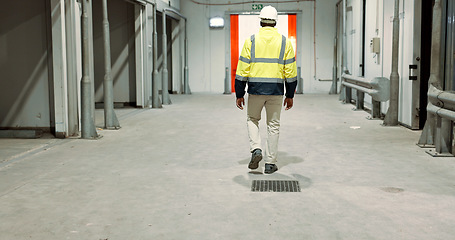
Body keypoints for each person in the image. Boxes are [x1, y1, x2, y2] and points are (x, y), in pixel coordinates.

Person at [235, 5, 297, 174]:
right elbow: (290, 72)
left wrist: (239, 93)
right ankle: (270, 163)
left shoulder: (251, 41)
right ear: (275, 21)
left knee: (252, 119)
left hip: (255, 90)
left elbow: (242, 70)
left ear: (261, 21)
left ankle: (256, 149)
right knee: (273, 125)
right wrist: (290, 95)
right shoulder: (285, 42)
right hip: (276, 91)